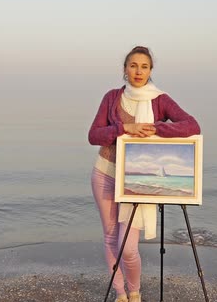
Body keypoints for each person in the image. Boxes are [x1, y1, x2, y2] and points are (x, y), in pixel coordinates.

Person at [88, 46, 201, 302]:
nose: (138, 71)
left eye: (144, 66)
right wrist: (124, 127)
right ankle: (120, 294)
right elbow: (94, 135)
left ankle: (135, 292)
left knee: (127, 247)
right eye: (133, 65)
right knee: (110, 237)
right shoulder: (112, 97)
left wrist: (157, 129)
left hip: (136, 181)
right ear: (125, 69)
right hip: (105, 173)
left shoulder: (159, 99)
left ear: (151, 70)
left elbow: (192, 125)